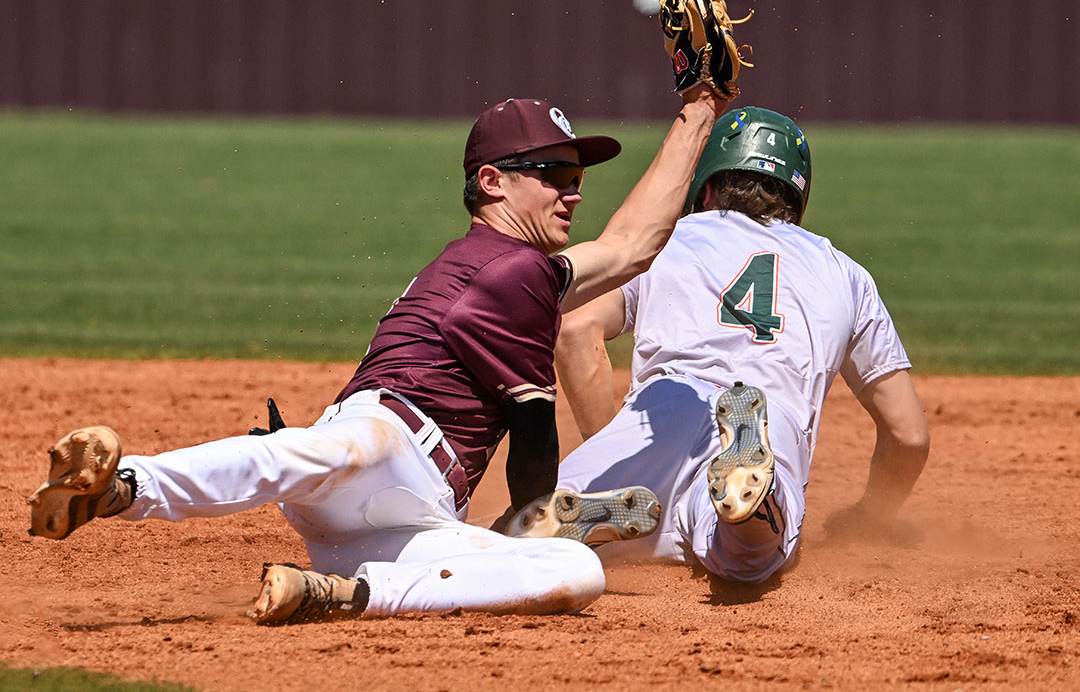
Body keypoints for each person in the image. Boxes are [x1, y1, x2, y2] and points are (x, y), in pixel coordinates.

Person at [27, 86, 729, 623]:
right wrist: (531, 513)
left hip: (400, 520)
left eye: (577, 176)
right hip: (391, 446)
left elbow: (632, 246)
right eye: (552, 171)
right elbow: (534, 442)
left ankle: (346, 592)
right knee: (328, 451)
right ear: (493, 182)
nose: (572, 191)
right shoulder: (513, 272)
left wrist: (700, 109)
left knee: (577, 572)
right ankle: (122, 488)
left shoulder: (516, 268)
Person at [509, 106, 930, 584]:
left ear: (705, 187)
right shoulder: (845, 274)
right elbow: (908, 435)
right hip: (769, 415)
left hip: (662, 407)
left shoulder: (663, 242)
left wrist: (614, 445)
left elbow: (575, 328)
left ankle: (593, 496)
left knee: (516, 542)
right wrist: (873, 517)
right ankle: (752, 505)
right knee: (744, 559)